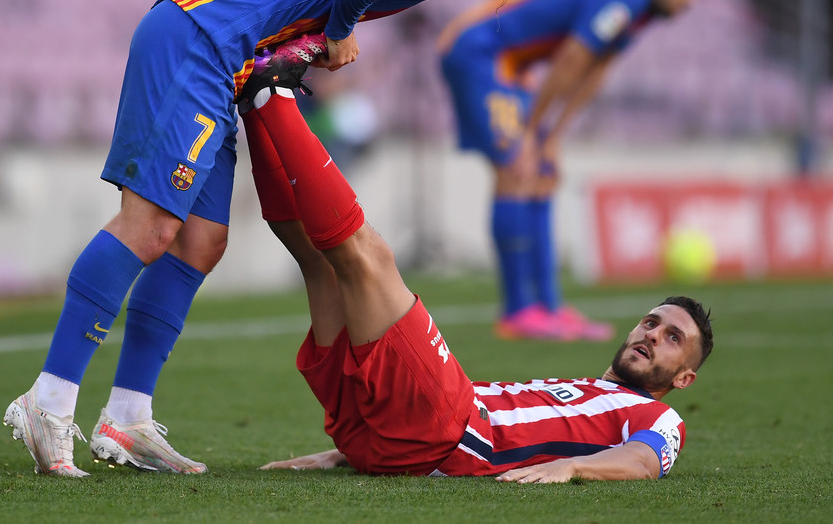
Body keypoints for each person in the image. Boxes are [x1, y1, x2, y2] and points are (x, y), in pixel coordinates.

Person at [3, 0, 550, 477]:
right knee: (151, 226)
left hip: (215, 50)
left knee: (199, 243)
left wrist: (274, 14)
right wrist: (338, 30)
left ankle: (127, 417)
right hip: (200, 43)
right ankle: (49, 400)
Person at [237, 79, 714, 481]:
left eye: (673, 338)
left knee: (370, 258)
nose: (652, 334)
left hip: (447, 428)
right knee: (319, 265)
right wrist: (351, 452)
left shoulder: (661, 418)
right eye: (651, 322)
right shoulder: (588, 391)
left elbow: (645, 461)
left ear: (685, 377)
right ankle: (255, 108)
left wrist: (571, 469)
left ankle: (273, 95)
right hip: (386, 436)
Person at [437, 0, 707, 341]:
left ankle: (549, 306)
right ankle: (517, 312)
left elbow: (595, 69)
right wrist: (532, 132)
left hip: (510, 60)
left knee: (542, 170)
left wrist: (552, 136)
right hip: (481, 52)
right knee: (516, 168)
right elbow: (571, 59)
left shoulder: (637, 4)